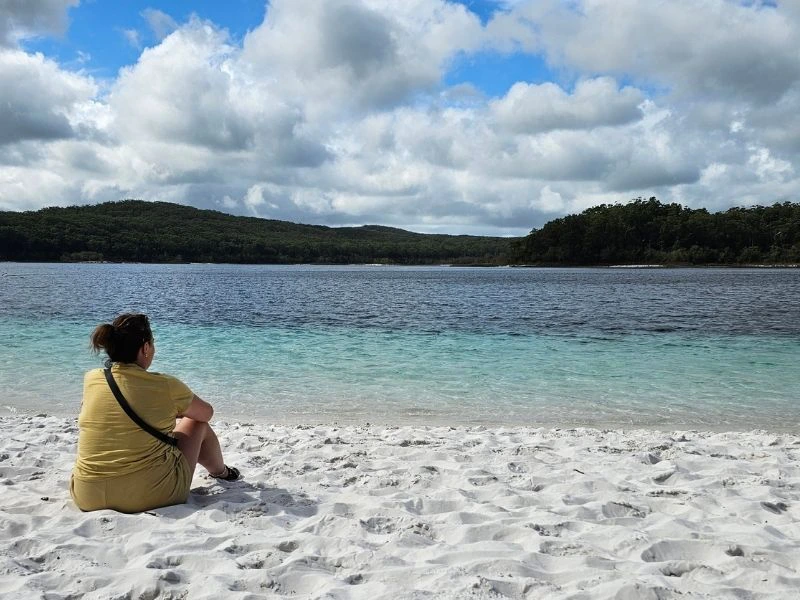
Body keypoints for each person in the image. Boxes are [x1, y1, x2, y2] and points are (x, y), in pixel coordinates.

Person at [70, 313, 239, 513]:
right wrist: (175, 411)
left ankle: (221, 472)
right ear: (146, 348)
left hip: (87, 495)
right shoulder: (165, 385)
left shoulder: (92, 379)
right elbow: (206, 413)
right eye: (153, 343)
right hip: (150, 495)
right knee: (196, 423)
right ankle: (221, 472)